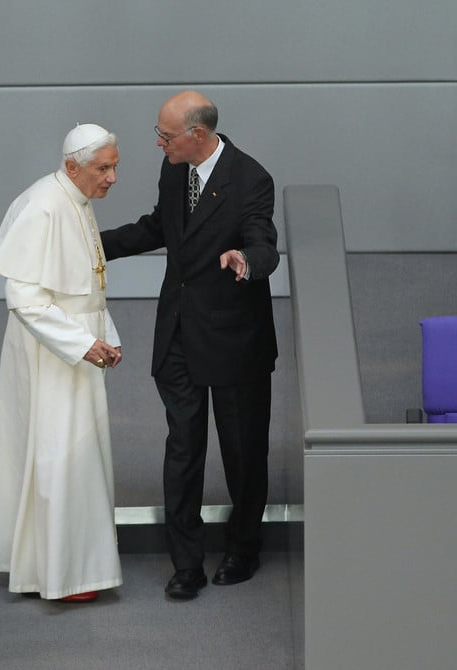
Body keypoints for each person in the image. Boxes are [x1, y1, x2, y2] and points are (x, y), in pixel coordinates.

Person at [100, 90, 279, 600]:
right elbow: (162, 226)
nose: (159, 143)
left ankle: (243, 549)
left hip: (232, 341)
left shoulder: (249, 178)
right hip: (178, 332)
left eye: (166, 135)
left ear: (197, 135)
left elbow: (262, 239)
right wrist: (97, 243)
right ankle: (186, 564)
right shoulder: (176, 170)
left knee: (243, 453)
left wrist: (247, 261)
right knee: (183, 450)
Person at [0, 123, 124, 602]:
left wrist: (106, 336)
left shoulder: (77, 201)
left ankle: (69, 567)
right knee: (58, 455)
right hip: (49, 351)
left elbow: (88, 286)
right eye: (102, 168)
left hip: (75, 345)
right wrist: (82, 343)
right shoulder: (44, 205)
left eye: (114, 167)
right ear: (72, 166)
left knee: (79, 454)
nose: (111, 178)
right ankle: (58, 572)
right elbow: (24, 299)